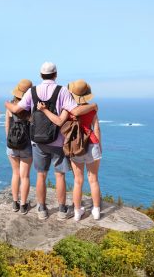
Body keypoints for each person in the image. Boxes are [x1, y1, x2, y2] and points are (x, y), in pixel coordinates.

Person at [5, 62, 97, 220]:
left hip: (37, 141)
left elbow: (15, 110)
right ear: (56, 74)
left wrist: (6, 103)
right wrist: (94, 106)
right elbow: (75, 110)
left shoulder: (32, 92)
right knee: (60, 175)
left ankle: (42, 209)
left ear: (41, 75)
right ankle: (62, 210)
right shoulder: (62, 91)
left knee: (41, 175)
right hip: (58, 141)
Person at [37, 79, 102, 221]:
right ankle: (96, 211)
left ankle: (78, 212)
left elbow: (60, 122)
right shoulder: (92, 109)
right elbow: (96, 128)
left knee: (78, 181)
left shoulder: (68, 110)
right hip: (92, 144)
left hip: (75, 146)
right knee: (94, 180)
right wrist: (100, 146)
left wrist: (44, 110)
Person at [5, 79, 33, 215]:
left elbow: (7, 126)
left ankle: (15, 203)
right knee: (25, 176)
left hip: (12, 145)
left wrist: (10, 141)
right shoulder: (30, 108)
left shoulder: (10, 106)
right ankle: (23, 206)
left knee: (15, 174)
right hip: (27, 145)